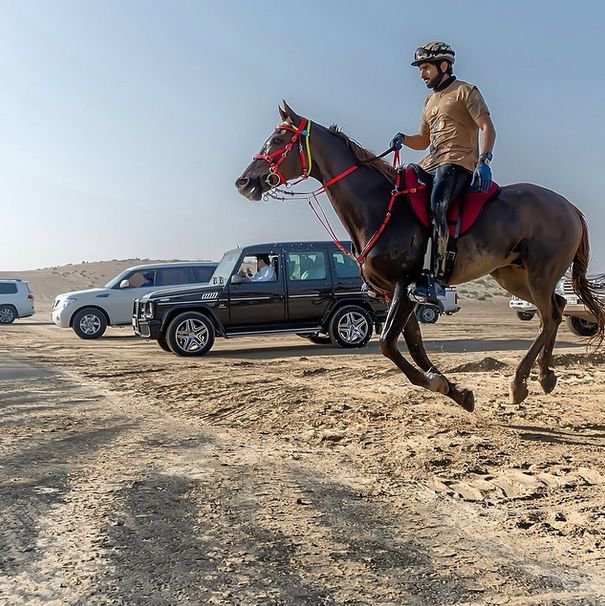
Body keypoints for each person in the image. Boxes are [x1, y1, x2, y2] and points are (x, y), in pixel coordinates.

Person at [389, 41, 496, 303]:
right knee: (400, 192)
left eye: (426, 67)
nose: (421, 73)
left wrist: (485, 159)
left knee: (437, 204)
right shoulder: (429, 101)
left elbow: (486, 127)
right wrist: (404, 138)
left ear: (444, 66)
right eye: (420, 68)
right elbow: (423, 140)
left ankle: (437, 277)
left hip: (457, 162)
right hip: (431, 162)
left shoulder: (466, 91)